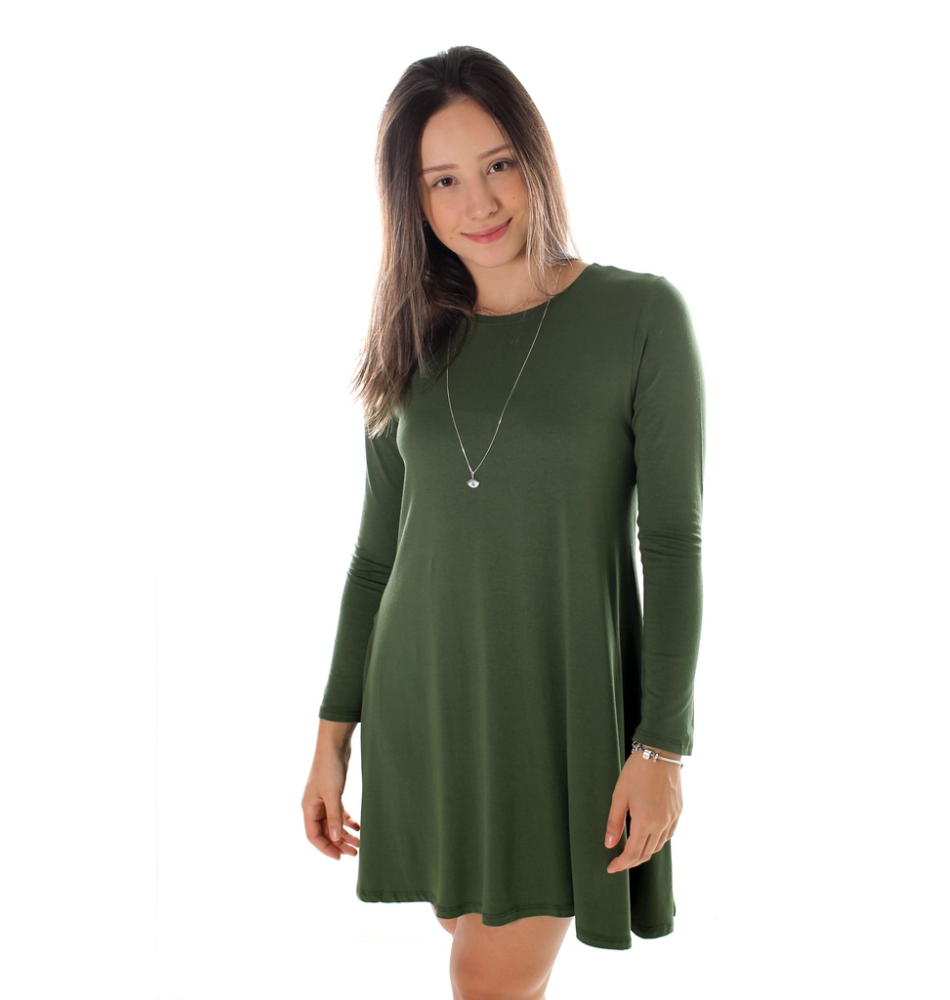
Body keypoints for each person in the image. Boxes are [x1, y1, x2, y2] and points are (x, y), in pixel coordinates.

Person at [302, 45, 705, 999]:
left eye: (498, 165)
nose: (478, 203)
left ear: (537, 158)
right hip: (425, 711)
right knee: (478, 957)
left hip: (558, 717)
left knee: (487, 977)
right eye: (442, 180)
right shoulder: (409, 340)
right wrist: (331, 737)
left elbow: (671, 543)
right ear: (412, 200)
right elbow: (375, 559)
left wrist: (662, 745)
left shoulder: (641, 315)